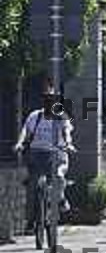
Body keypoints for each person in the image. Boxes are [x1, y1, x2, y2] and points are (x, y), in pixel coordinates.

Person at [15, 87, 74, 237]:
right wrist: (20, 143)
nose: (50, 101)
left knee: (59, 176)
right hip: (37, 155)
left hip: (57, 154)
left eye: (53, 98)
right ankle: (31, 220)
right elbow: (24, 132)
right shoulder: (35, 116)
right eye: (47, 98)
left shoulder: (61, 116)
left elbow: (67, 132)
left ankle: (60, 199)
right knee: (32, 187)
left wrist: (68, 144)